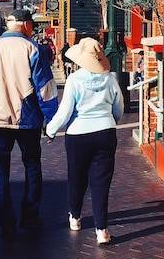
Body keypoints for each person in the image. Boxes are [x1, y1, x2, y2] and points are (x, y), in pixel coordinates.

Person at [0, 9, 58, 238]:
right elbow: (45, 89)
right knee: (32, 166)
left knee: (0, 169)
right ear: (25, 25)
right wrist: (51, 119)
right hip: (27, 120)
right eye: (32, 25)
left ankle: (5, 220)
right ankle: (30, 216)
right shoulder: (33, 49)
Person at [46, 37, 123, 245]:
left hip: (78, 134)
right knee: (101, 182)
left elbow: (65, 111)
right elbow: (119, 107)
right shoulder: (109, 78)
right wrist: (110, 122)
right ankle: (102, 230)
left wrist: (51, 130)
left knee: (76, 177)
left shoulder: (74, 80)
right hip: (105, 132)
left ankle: (75, 216)